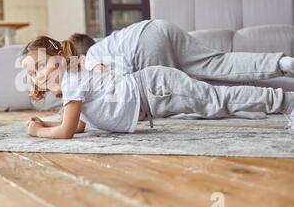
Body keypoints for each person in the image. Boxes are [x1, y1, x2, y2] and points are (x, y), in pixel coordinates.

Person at [20, 36, 294, 139]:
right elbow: (78, 125)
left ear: (59, 59)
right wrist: (46, 122)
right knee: (217, 103)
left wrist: (38, 132)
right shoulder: (73, 81)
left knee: (219, 100)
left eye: (41, 66)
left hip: (153, 89)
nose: (38, 77)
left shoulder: (73, 80)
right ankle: (283, 95)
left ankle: (286, 102)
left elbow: (67, 131)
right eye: (32, 75)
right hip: (153, 93)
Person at [83, 19, 294, 81]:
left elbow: (109, 86)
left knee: (169, 101)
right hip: (158, 27)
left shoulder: (91, 57)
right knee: (217, 63)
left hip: (145, 44)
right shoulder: (107, 45)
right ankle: (281, 63)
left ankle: (244, 105)